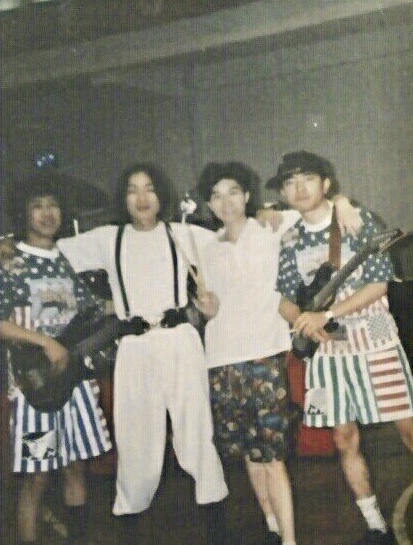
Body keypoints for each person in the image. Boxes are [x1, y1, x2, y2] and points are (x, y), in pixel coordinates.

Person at [57, 162, 230, 544]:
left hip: (180, 341)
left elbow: (234, 237)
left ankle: (218, 528)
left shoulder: (181, 233)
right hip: (134, 348)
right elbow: (50, 252)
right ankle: (129, 525)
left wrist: (268, 216)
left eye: (149, 188)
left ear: (161, 194)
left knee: (197, 433)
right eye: (132, 189)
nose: (141, 197)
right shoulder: (109, 239)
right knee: (135, 440)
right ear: (123, 198)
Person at [195, 161, 360, 545]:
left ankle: (289, 540)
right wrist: (207, 308)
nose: (225, 202)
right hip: (220, 360)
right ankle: (271, 527)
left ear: (247, 195)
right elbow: (212, 304)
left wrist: (343, 202)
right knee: (249, 456)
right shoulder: (205, 247)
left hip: (264, 356)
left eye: (233, 192)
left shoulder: (270, 227)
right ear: (209, 203)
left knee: (272, 458)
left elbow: (315, 205)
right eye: (216, 195)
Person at [272, 150, 413, 545]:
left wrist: (327, 313)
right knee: (343, 438)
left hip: (375, 337)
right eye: (290, 183)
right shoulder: (289, 238)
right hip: (330, 348)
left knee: (408, 426)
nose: (300, 189)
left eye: (308, 179)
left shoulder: (357, 219)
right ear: (283, 193)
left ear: (326, 184)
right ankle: (374, 525)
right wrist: (302, 320)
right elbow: (283, 298)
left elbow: (379, 284)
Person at [0, 170, 112, 545]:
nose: (47, 213)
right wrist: (44, 343)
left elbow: (93, 308)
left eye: (53, 206)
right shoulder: (10, 261)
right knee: (37, 475)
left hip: (74, 385)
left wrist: (141, 299)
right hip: (37, 391)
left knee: (75, 466)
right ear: (24, 213)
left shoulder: (64, 259)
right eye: (38, 206)